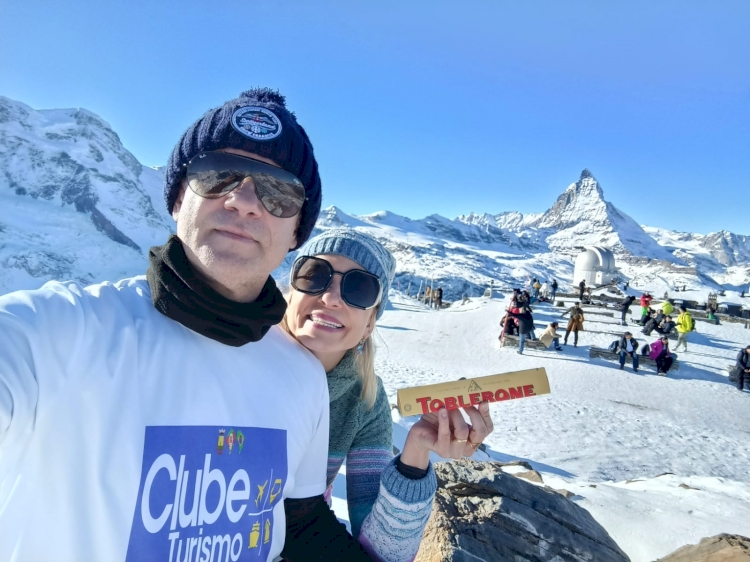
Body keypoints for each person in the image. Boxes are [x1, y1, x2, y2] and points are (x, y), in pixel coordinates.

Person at [0, 89, 378, 561]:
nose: (244, 201)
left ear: (296, 233)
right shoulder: (63, 332)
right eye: (218, 174)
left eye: (279, 192)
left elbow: (298, 522)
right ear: (179, 197)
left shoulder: (301, 377)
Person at [281, 229, 494, 559]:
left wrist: (415, 455)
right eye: (314, 275)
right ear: (291, 292)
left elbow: (384, 552)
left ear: (369, 324)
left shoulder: (364, 401)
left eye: (358, 289)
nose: (331, 298)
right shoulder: (237, 353)